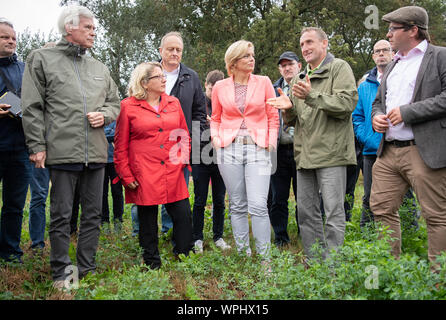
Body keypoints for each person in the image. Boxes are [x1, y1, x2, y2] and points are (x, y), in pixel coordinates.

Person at [21, 5, 121, 288]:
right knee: (62, 215)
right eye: (88, 27)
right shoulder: (41, 59)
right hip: (62, 152)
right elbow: (31, 105)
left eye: (94, 28)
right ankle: (62, 275)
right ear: (69, 27)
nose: (94, 32)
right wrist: (37, 144)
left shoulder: (99, 67)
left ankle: (86, 270)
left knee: (93, 214)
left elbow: (115, 102)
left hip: (97, 153)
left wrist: (106, 115)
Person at [267, 27, 358, 260]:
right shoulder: (299, 78)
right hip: (304, 155)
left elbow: (347, 104)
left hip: (332, 154)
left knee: (333, 212)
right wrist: (288, 110)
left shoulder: (339, 68)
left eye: (309, 42)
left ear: (324, 43)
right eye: (302, 44)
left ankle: (333, 265)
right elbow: (297, 118)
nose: (305, 48)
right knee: (307, 212)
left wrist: (311, 96)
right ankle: (315, 262)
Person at [370, 6, 446, 270]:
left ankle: (439, 281)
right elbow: (379, 101)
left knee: (436, 216)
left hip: (423, 151)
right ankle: (391, 274)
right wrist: (376, 116)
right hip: (389, 151)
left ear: (413, 30)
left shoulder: (440, 57)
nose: (388, 34)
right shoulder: (394, 63)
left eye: (393, 29)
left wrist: (408, 112)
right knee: (381, 210)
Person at [114, 62, 194, 269]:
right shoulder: (128, 106)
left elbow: (184, 135)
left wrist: (182, 161)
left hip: (172, 168)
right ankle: (151, 262)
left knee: (183, 214)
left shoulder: (173, 103)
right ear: (145, 83)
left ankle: (184, 256)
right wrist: (126, 174)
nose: (164, 79)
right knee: (147, 220)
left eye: (163, 76)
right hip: (144, 171)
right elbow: (120, 145)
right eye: (159, 77)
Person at [211, 40, 279, 266]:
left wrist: (270, 142)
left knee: (258, 204)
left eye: (252, 55)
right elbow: (216, 117)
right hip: (228, 148)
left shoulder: (264, 82)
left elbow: (272, 115)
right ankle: (243, 253)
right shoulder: (220, 87)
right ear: (234, 62)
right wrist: (217, 139)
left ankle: (264, 258)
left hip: (258, 148)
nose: (252, 59)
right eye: (246, 56)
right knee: (238, 204)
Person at [131, 31, 207, 235]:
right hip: (148, 146)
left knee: (174, 191)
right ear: (160, 51)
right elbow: (133, 105)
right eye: (170, 49)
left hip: (178, 146)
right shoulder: (146, 74)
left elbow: (200, 111)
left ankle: (169, 231)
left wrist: (194, 140)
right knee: (144, 189)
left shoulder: (191, 77)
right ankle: (141, 233)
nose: (175, 53)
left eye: (178, 50)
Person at [353, 39, 419, 229]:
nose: (381, 54)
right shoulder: (365, 86)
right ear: (373, 56)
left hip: (398, 146)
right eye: (377, 51)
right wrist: (365, 137)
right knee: (369, 195)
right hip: (371, 150)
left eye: (385, 50)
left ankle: (411, 233)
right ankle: (366, 235)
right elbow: (357, 116)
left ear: (392, 53)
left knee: (405, 196)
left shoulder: (401, 79)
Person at [0, 18, 32, 263]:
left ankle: (10, 252)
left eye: (13, 37)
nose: (11, 41)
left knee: (14, 204)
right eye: (4, 37)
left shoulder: (24, 69)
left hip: (20, 147)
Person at [192, 70, 230, 253]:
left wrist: (217, 125)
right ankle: (197, 238)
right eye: (210, 88)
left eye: (217, 89)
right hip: (200, 157)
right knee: (199, 200)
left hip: (220, 157)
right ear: (205, 85)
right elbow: (193, 127)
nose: (213, 92)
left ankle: (218, 236)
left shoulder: (225, 104)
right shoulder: (198, 103)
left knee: (220, 200)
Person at [269, 51, 301, 246]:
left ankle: (305, 234)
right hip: (279, 150)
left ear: (299, 65)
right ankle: (280, 237)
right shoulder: (273, 89)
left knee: (303, 197)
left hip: (301, 149)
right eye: (283, 65)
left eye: (290, 64)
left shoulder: (306, 85)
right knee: (277, 197)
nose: (287, 68)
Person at [101, 121, 124, 233]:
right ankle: (104, 222)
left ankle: (118, 221)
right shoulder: (98, 115)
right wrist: (110, 134)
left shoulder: (117, 115)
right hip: (100, 161)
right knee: (102, 193)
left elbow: (119, 135)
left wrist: (104, 134)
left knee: (117, 192)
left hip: (115, 161)